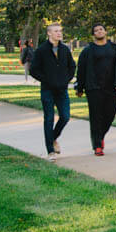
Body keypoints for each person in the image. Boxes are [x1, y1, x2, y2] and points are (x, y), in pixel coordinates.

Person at [75, 24, 116, 156]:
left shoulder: (114, 49)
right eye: (96, 30)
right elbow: (81, 69)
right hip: (93, 88)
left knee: (110, 113)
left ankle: (100, 135)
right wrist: (80, 87)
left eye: (101, 29)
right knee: (96, 116)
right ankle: (97, 145)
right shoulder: (88, 50)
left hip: (111, 87)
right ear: (93, 35)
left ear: (105, 32)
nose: (99, 31)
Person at [29, 23, 76, 161]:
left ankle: (53, 138)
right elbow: (33, 70)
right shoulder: (42, 50)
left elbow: (72, 66)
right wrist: (47, 80)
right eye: (56, 31)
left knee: (65, 116)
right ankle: (50, 151)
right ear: (49, 33)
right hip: (47, 90)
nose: (59, 33)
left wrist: (66, 79)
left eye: (60, 31)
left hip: (62, 90)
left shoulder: (65, 49)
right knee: (49, 119)